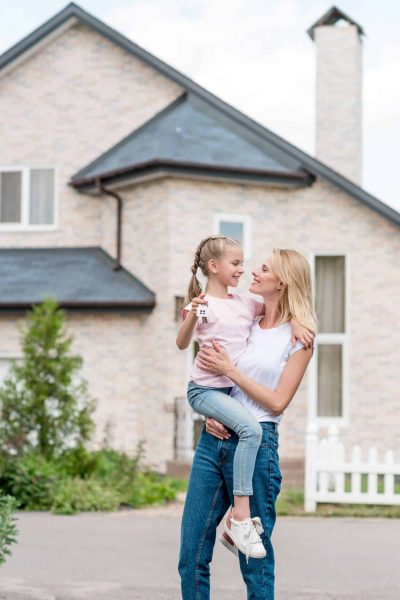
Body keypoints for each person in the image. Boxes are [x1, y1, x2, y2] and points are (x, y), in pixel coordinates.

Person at [178, 248, 316, 600]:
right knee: (191, 554)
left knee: (254, 564)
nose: (253, 271)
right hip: (216, 439)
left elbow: (277, 401)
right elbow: (210, 372)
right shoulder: (246, 319)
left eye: (264, 269)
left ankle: (240, 524)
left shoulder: (300, 339)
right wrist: (213, 411)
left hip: (257, 445)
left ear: (282, 281)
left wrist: (231, 371)